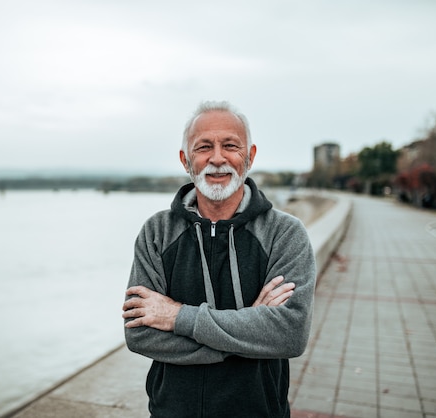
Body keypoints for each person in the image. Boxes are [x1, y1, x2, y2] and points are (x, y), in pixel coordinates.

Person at [122, 100, 316, 418]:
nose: (217, 158)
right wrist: (250, 331)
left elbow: (290, 334)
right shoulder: (157, 232)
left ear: (249, 157)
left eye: (230, 145)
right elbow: (140, 333)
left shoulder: (285, 234)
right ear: (186, 160)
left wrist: (178, 317)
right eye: (203, 147)